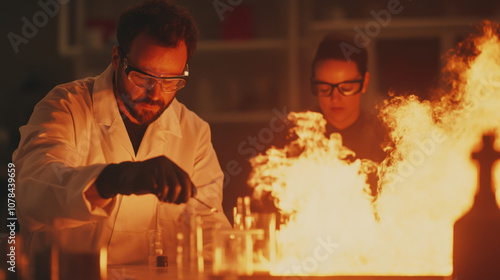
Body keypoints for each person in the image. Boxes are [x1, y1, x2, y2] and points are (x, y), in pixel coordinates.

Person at [12, 0, 230, 265]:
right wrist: (115, 178)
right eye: (143, 77)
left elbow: (209, 229)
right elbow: (30, 193)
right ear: (117, 58)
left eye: (171, 81)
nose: (155, 93)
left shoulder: (193, 132)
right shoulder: (65, 106)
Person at [310, 33, 386, 165]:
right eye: (324, 89)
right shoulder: (294, 136)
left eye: (346, 88)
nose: (335, 98)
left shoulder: (385, 140)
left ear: (364, 83)